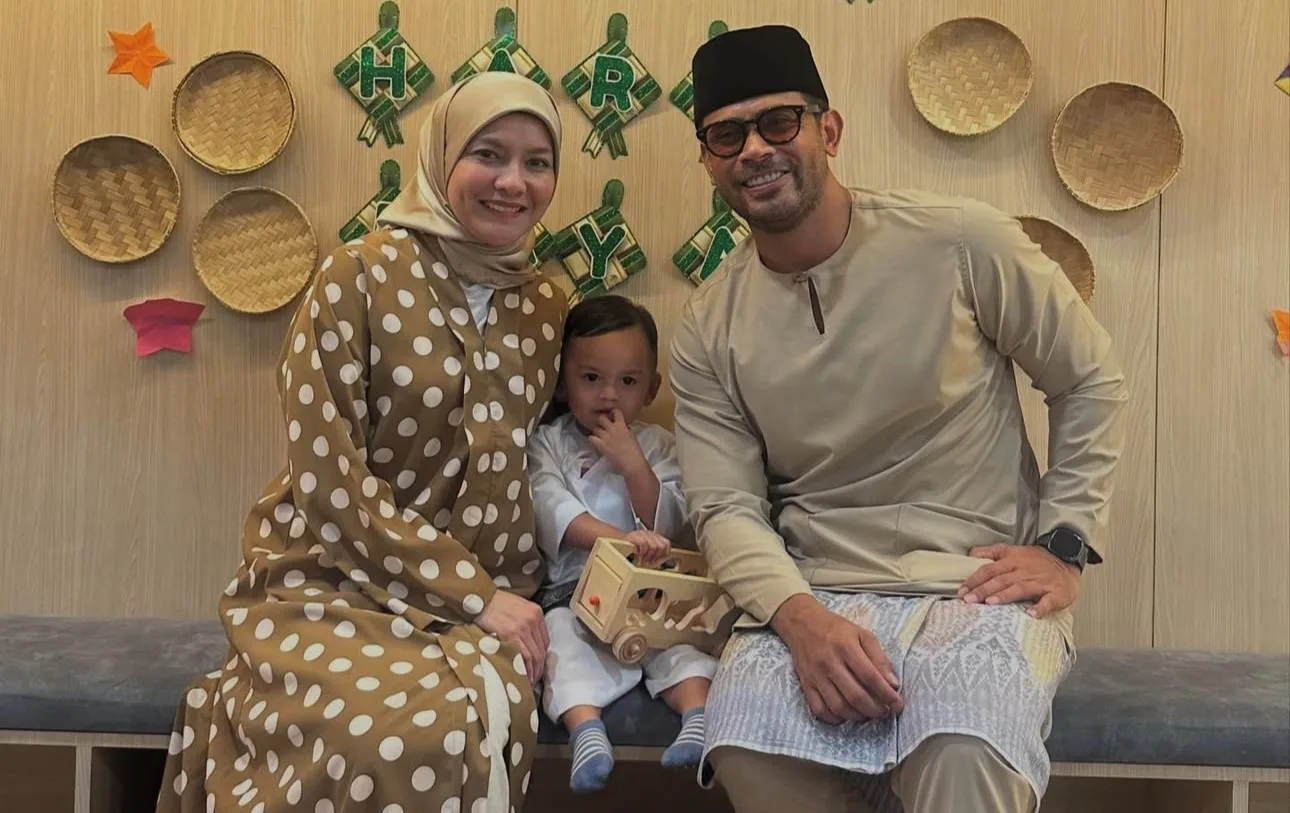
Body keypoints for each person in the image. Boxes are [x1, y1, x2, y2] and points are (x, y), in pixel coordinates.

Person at [668, 25, 1129, 813]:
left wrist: (1064, 543)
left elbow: (1088, 379)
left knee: (964, 747)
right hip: (813, 588)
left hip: (972, 585)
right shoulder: (710, 324)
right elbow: (725, 506)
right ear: (709, 160)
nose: (755, 149)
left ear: (829, 130)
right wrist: (800, 619)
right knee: (746, 741)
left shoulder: (961, 239)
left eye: (779, 122)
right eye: (727, 135)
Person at [155, 71, 568, 813]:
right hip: (331, 579)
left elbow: (540, 464)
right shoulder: (358, 274)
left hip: (492, 593)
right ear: (441, 159)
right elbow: (328, 481)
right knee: (396, 733)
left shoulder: (546, 305)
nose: (513, 182)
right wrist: (471, 595)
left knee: (469, 716)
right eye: (488, 154)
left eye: (536, 162)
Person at [526, 295, 717, 793]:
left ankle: (697, 718)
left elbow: (670, 520)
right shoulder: (548, 443)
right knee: (561, 643)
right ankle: (586, 731)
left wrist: (633, 464)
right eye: (591, 378)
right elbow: (548, 507)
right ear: (562, 383)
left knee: (679, 639)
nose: (609, 395)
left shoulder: (659, 445)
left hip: (651, 585)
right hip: (576, 592)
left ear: (651, 389)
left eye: (628, 382)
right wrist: (620, 543)